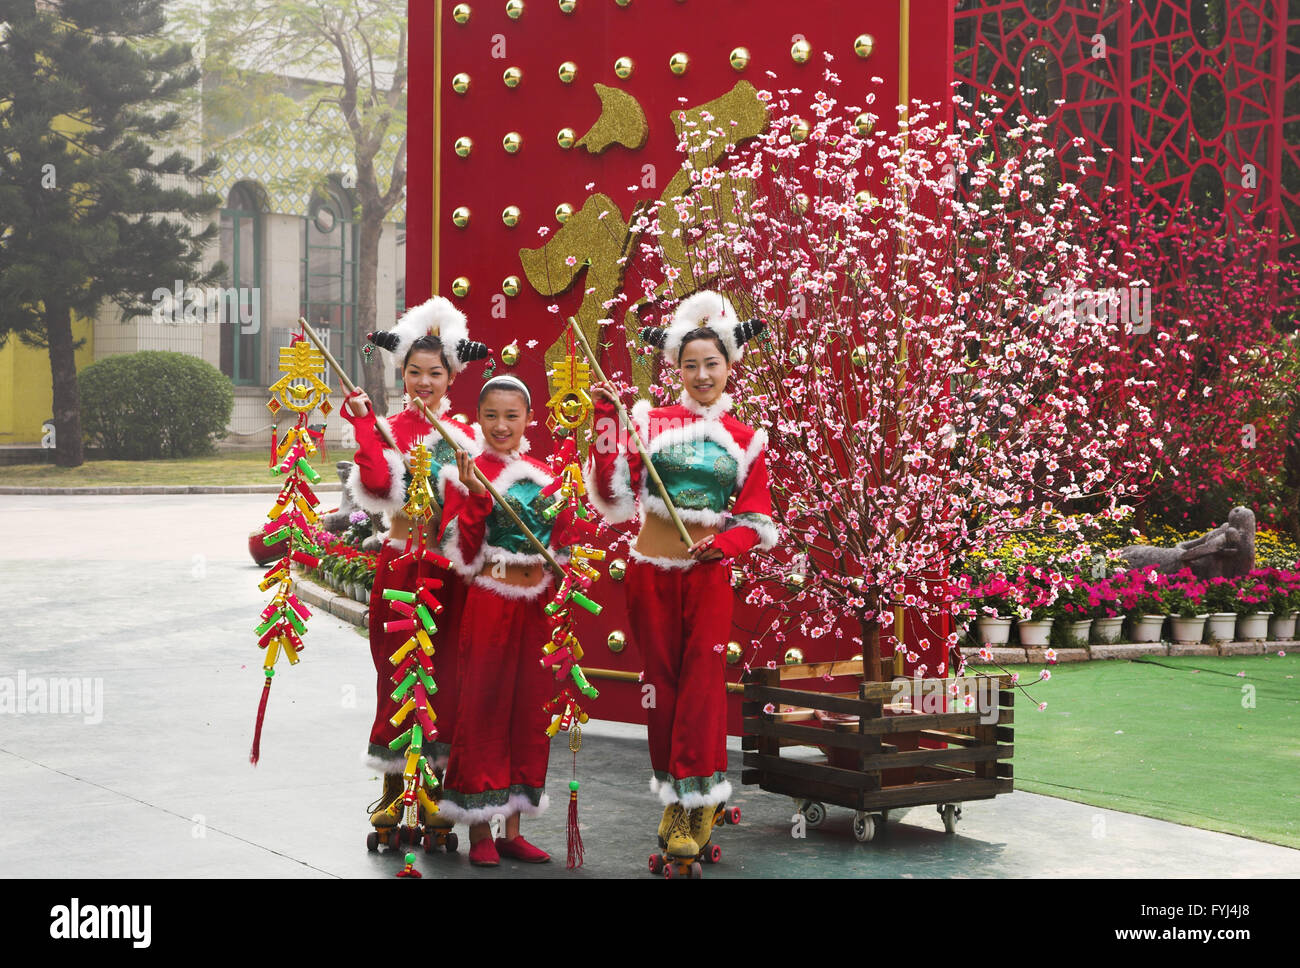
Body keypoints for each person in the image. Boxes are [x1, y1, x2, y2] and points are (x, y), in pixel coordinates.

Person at [586, 289, 776, 864]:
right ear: (676, 366)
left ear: (729, 368)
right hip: (650, 574)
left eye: (711, 364)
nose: (701, 374)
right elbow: (613, 492)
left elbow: (757, 520)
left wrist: (723, 544)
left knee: (701, 685)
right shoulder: (648, 421)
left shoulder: (746, 439)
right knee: (660, 684)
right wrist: (605, 421)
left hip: (706, 577)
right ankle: (673, 795)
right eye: (690, 364)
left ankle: (699, 801)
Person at [338, 296, 488, 834]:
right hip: (400, 567)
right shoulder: (386, 429)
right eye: (414, 372)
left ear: (452, 378)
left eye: (435, 373)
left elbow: (477, 509)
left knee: (444, 675)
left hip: (446, 573)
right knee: (395, 673)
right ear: (401, 373)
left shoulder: (466, 438)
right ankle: (392, 783)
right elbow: (378, 486)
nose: (424, 382)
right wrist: (362, 430)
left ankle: (435, 784)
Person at [436, 374, 570, 867]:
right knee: (484, 710)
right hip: (490, 603)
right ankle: (479, 832)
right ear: (478, 418)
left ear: (529, 419)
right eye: (491, 415)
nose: (501, 425)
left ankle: (513, 826)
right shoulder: (464, 472)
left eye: (512, 416)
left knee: (529, 712)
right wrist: (475, 497)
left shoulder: (544, 473)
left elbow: (562, 543)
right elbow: (464, 556)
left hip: (534, 606)